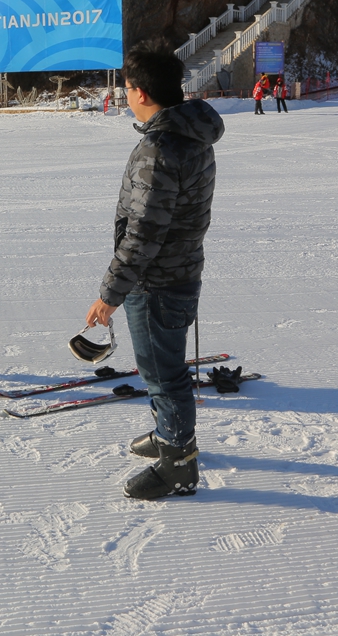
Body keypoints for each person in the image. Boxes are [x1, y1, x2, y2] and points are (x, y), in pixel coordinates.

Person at [86, 46, 225, 499]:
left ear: (140, 92)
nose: (125, 94)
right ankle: (169, 432)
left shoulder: (159, 147)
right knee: (161, 368)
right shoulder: (189, 133)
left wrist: (110, 293)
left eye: (126, 87)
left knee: (163, 373)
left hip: (159, 280)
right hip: (179, 270)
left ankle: (178, 464)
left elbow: (144, 232)